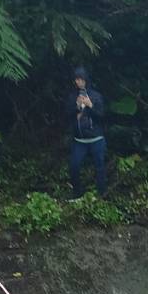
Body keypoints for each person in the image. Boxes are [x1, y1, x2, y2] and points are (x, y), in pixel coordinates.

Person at [67, 67, 107, 200]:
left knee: (100, 166)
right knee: (74, 165)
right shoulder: (73, 96)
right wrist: (76, 107)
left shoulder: (95, 95)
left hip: (96, 138)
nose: (78, 82)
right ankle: (77, 193)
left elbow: (102, 116)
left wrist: (90, 106)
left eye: (81, 79)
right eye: (76, 79)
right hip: (80, 140)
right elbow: (67, 114)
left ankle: (102, 194)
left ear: (86, 80)